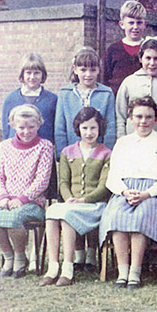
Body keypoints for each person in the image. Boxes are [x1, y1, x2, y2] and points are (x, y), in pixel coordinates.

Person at [99, 96, 157, 289]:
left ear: (156, 119)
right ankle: (122, 272)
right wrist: (125, 191)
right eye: (139, 116)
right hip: (126, 190)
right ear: (131, 119)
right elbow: (113, 176)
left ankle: (135, 272)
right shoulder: (123, 143)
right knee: (117, 216)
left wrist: (146, 194)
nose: (143, 121)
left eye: (148, 117)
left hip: (155, 194)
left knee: (140, 217)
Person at [40, 107, 111, 287]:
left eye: (93, 128)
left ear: (100, 129)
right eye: (85, 128)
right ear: (78, 128)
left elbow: (104, 186)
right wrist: (69, 198)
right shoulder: (67, 152)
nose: (89, 133)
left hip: (95, 206)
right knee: (52, 212)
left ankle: (68, 269)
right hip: (72, 203)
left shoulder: (106, 153)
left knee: (66, 216)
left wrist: (85, 200)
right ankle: (53, 267)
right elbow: (63, 181)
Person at [0, 52, 58, 270]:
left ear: (42, 75)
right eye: (28, 72)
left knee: (40, 205)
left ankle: (36, 254)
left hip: (43, 160)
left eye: (36, 72)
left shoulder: (52, 99)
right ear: (22, 75)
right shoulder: (11, 98)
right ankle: (19, 252)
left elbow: (55, 128)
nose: (32, 77)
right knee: (17, 207)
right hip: (18, 162)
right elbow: (7, 132)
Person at [0, 104, 53, 278]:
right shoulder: (5, 146)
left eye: (31, 127)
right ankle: (9, 256)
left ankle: (20, 257)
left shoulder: (45, 147)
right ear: (14, 125)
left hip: (32, 202)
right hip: (7, 199)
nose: (26, 131)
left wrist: (22, 199)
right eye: (21, 127)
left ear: (39, 125)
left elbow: (42, 180)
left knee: (15, 218)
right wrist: (2, 197)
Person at [115, 37, 157, 142]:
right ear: (140, 59)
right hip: (133, 143)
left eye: (156, 58)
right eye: (148, 58)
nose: (152, 63)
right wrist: (122, 141)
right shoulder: (129, 82)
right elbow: (120, 116)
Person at [104, 0, 147, 94]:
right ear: (122, 24)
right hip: (117, 101)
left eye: (139, 23)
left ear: (145, 24)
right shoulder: (113, 50)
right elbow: (105, 80)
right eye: (131, 23)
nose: (135, 27)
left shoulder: (149, 49)